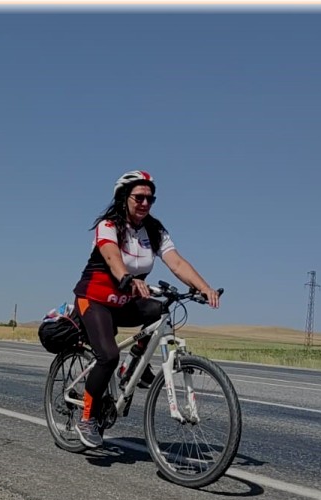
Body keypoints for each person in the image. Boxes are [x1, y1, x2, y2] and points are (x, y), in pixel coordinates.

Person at [70, 170, 220, 448]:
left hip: (124, 303)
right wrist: (128, 279)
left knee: (159, 310)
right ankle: (87, 418)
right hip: (94, 300)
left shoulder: (154, 230)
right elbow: (112, 257)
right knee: (108, 356)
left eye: (150, 199)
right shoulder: (108, 225)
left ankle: (132, 367)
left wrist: (204, 287)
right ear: (124, 198)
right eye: (139, 197)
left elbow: (176, 263)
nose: (145, 203)